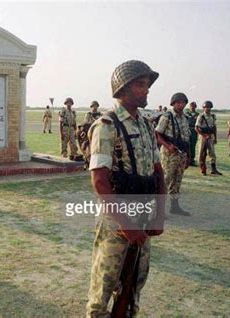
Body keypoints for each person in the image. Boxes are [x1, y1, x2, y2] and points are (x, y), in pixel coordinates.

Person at [86, 60, 165, 317]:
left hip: (143, 214)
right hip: (116, 221)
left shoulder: (145, 124)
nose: (146, 90)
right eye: (141, 85)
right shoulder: (106, 126)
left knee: (134, 284)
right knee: (103, 289)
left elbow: (158, 172)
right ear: (123, 88)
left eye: (147, 85)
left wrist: (158, 214)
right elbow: (100, 181)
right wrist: (125, 225)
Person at [156, 93, 191, 216]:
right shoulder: (167, 116)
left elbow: (187, 139)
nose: (181, 105)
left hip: (182, 154)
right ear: (173, 103)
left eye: (183, 102)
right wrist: (168, 146)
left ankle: (174, 207)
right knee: (166, 180)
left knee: (177, 180)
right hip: (169, 153)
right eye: (178, 102)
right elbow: (158, 135)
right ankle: (158, 210)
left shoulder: (185, 118)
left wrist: (188, 156)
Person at [195, 101, 222, 175]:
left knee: (212, 153)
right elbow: (196, 128)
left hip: (210, 136)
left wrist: (215, 138)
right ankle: (203, 168)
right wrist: (203, 135)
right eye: (206, 107)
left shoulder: (213, 116)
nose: (207, 108)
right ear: (203, 108)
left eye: (209, 107)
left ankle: (213, 169)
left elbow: (214, 127)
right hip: (203, 136)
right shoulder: (201, 116)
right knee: (201, 153)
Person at [184, 101, 199, 166]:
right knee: (186, 145)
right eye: (191, 106)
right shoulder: (186, 113)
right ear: (189, 107)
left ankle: (192, 160)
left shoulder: (197, 114)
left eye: (194, 106)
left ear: (195, 107)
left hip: (194, 131)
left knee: (193, 146)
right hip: (187, 130)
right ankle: (186, 160)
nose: (192, 107)